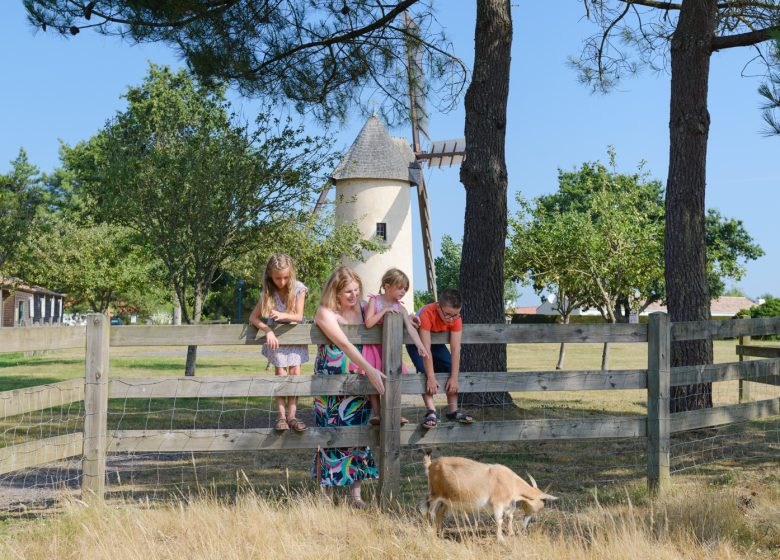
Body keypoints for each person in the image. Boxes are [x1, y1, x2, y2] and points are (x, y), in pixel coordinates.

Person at [312, 266, 386, 507]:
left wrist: (408, 318)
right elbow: (343, 344)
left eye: (356, 290)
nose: (353, 296)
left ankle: (356, 495)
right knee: (329, 434)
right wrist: (371, 369)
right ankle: (325, 495)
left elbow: (388, 310)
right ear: (335, 292)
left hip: (359, 379)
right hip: (330, 382)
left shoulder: (365, 309)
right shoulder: (325, 312)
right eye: (347, 292)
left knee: (358, 433)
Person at [249, 253, 309, 433]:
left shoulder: (299, 289)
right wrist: (267, 331)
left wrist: (282, 315)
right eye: (277, 278)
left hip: (294, 337)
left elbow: (298, 316)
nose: (281, 282)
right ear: (269, 275)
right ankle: (281, 416)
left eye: (285, 277)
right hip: (277, 340)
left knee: (295, 373)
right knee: (281, 374)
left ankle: (292, 415)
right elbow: (253, 317)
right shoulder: (268, 292)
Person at [362, 268, 427, 426]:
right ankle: (377, 414)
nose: (403, 291)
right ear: (387, 286)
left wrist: (420, 344)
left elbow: (410, 328)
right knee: (374, 383)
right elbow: (369, 323)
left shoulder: (400, 308)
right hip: (373, 349)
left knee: (393, 380)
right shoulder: (374, 301)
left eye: (405, 288)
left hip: (391, 352)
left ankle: (394, 413)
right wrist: (384, 311)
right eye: (400, 288)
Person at [406, 287, 474, 429]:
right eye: (448, 315)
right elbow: (425, 349)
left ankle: (453, 411)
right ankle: (431, 411)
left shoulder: (456, 318)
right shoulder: (427, 313)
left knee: (450, 367)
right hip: (416, 344)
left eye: (456, 315)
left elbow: (456, 349)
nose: (452, 319)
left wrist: (454, 377)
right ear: (438, 306)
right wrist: (431, 377)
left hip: (437, 343)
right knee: (424, 370)